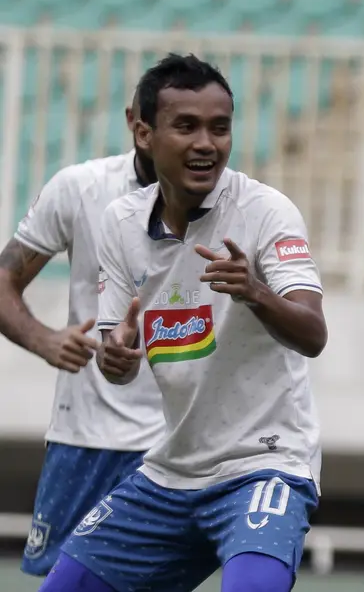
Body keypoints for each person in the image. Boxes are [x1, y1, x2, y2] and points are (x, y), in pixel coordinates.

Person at [39, 53, 329, 592]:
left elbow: (314, 335)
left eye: (220, 128)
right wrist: (114, 358)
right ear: (144, 133)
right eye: (187, 126)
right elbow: (118, 357)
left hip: (265, 464)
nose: (207, 143)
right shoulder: (121, 223)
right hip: (171, 470)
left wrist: (255, 292)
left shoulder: (267, 212)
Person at [0, 93, 166, 577]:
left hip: (173, 441)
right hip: (85, 437)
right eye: (180, 124)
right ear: (137, 125)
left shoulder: (233, 205)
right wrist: (44, 339)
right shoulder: (82, 188)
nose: (197, 142)